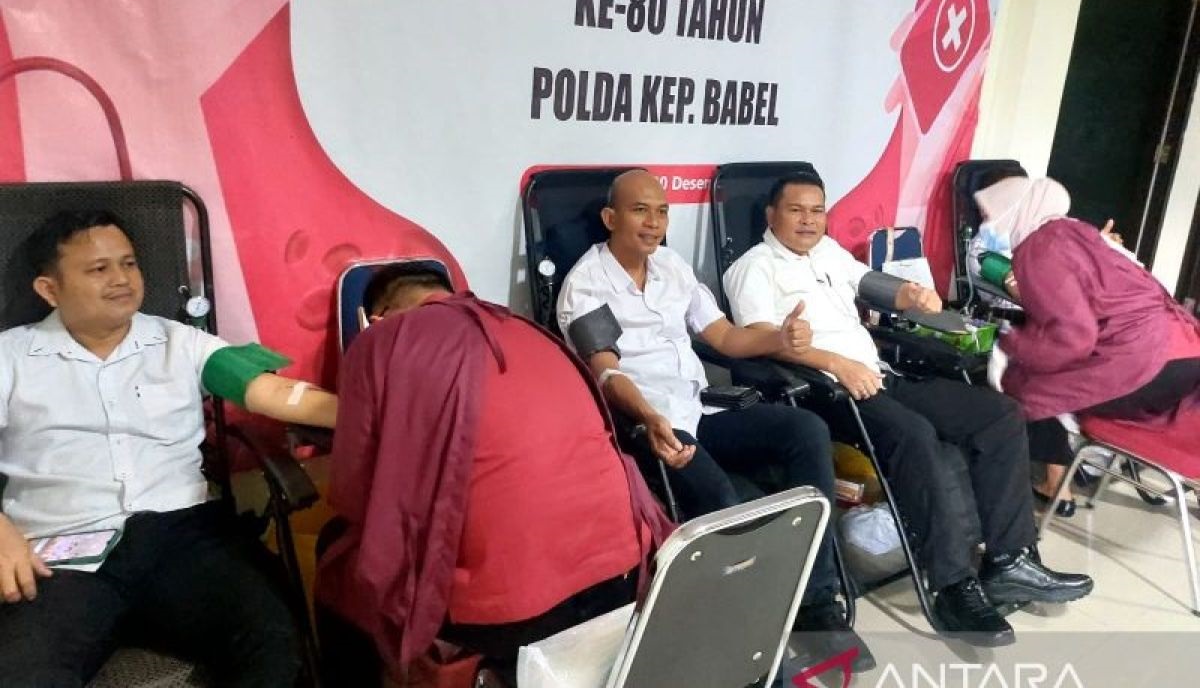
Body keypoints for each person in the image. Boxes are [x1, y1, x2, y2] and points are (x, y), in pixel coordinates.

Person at [722, 171, 1094, 646]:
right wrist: (835, 363)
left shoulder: (826, 252)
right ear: (771, 215)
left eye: (817, 210)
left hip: (878, 374)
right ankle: (952, 585)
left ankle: (1010, 560)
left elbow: (871, 282)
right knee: (915, 434)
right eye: (796, 210)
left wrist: (911, 295)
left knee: (998, 414)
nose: (808, 220)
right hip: (826, 389)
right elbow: (760, 341)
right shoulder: (753, 268)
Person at [0, 210, 337, 688]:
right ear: (49, 290)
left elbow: (274, 394)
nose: (122, 279)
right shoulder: (10, 357)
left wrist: (380, 413)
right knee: (19, 673)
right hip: (60, 555)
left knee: (276, 642)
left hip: (184, 540)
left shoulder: (180, 343)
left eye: (129, 263)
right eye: (99, 269)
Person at [555, 169, 873, 672]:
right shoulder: (587, 283)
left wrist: (781, 339)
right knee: (723, 501)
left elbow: (724, 337)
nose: (654, 222)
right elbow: (606, 371)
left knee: (806, 431)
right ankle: (743, 639)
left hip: (700, 409)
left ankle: (817, 603)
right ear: (610, 218)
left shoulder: (672, 267)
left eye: (662, 212)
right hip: (649, 425)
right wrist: (648, 416)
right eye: (640, 211)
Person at [316, 262, 673, 684]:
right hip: (626, 578)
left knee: (335, 548)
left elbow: (354, 494)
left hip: (514, 615)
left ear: (375, 317)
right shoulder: (524, 328)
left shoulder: (381, 341)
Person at [976, 176, 1200, 432]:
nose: (987, 225)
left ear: (1014, 211)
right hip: (1185, 351)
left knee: (1019, 393)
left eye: (990, 216)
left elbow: (1074, 336)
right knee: (1039, 384)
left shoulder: (1037, 250)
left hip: (1148, 360)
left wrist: (1010, 347)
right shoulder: (1075, 232)